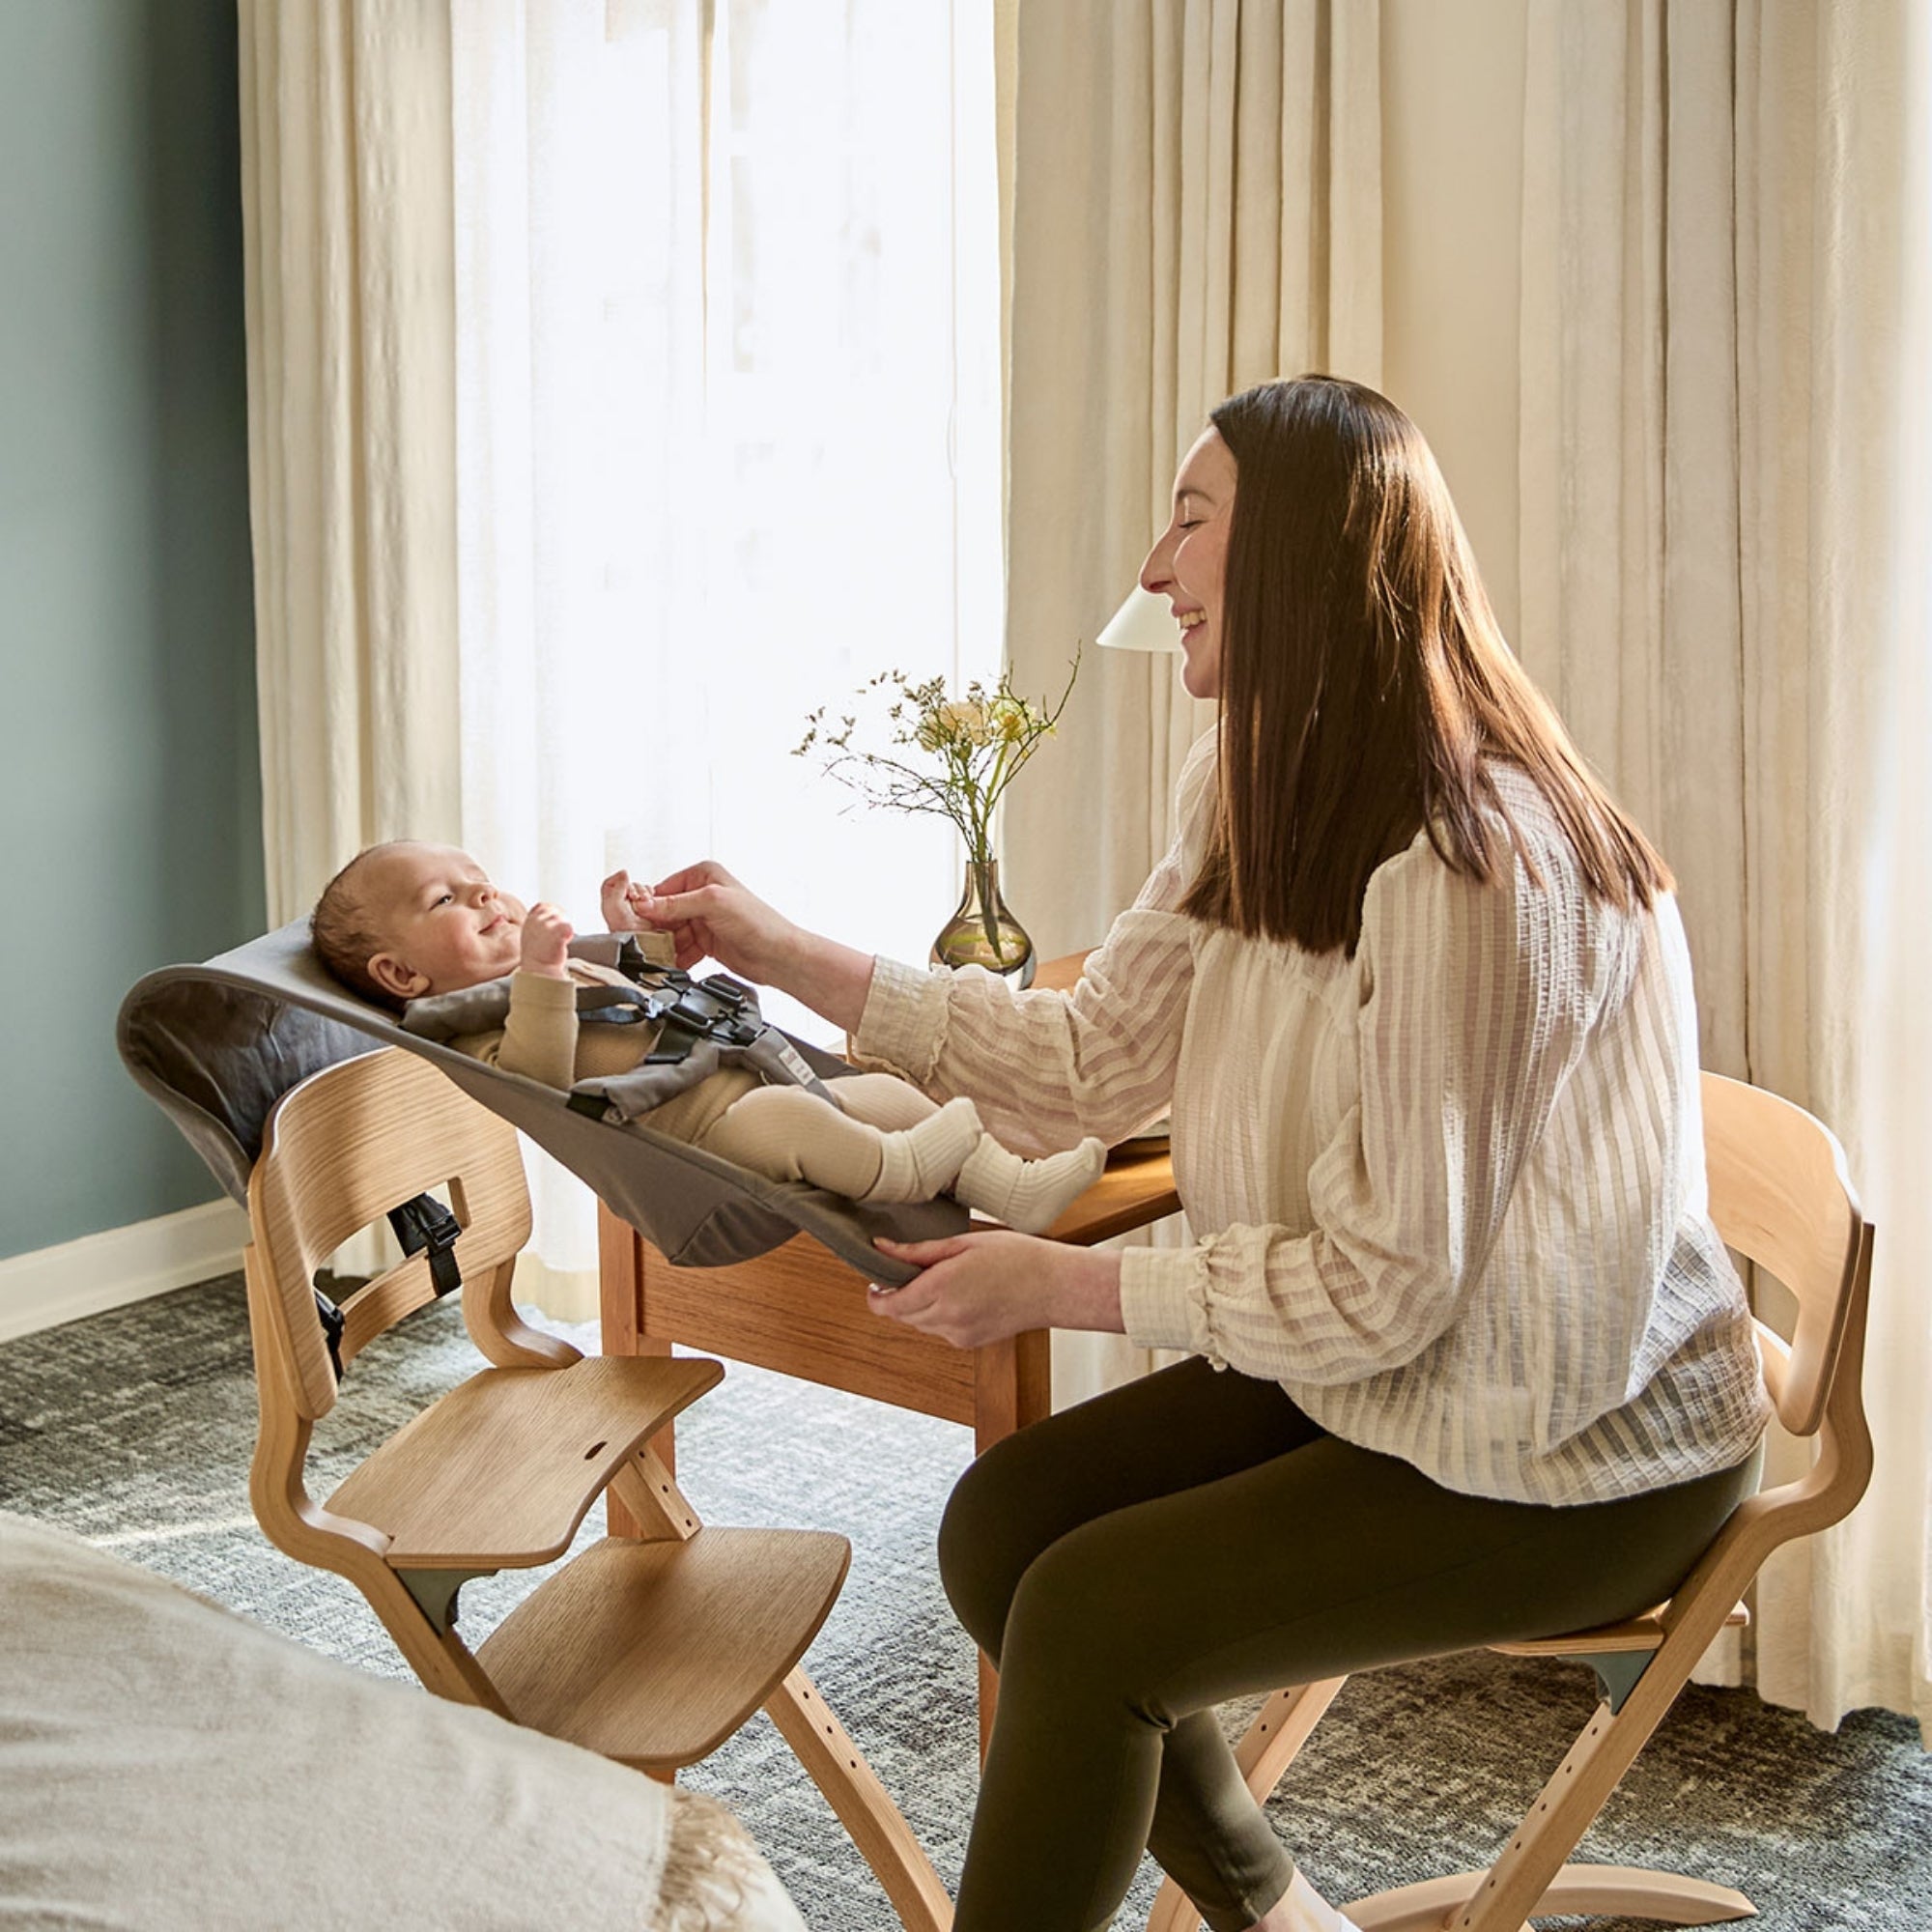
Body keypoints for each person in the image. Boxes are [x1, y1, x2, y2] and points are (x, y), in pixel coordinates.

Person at [620, 376, 1773, 1932]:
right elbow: (1085, 1069)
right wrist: (780, 949)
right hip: (1400, 1371)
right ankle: (1275, 1914)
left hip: (1569, 1441)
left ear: (1300, 553)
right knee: (999, 1533)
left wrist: (1069, 1291)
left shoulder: (1476, 874)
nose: (1153, 571)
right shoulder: (1251, 779)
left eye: (1189, 521)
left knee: (1093, 1626)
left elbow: (1388, 1289)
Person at [308, 841, 1106, 1233]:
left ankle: (1007, 1186)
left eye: (481, 877)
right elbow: (536, 1080)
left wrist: (631, 938)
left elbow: (653, 995)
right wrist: (544, 974)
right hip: (707, 1136)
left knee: (888, 1093)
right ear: (404, 976)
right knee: (794, 1127)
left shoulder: (562, 966)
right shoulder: (477, 1028)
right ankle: (896, 1173)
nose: (486, 891)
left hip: (753, 1072)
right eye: (447, 897)